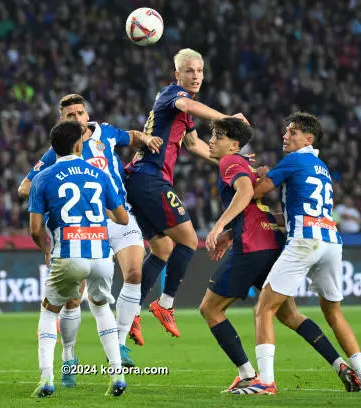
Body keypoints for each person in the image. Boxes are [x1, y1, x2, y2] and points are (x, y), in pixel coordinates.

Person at [199, 118, 359, 393]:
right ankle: (339, 364)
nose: (211, 141)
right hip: (271, 239)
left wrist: (219, 227)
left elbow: (247, 192)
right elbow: (257, 207)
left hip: (251, 247)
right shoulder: (245, 165)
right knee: (290, 315)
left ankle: (250, 374)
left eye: (217, 137)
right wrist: (232, 232)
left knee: (210, 309)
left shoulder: (229, 162)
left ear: (234, 145)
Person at [234, 112, 361, 395]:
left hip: (305, 241)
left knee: (264, 308)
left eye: (293, 132)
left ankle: (265, 381)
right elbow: (302, 208)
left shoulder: (293, 160)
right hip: (331, 242)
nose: (285, 136)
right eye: (286, 131)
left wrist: (252, 174)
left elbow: (255, 192)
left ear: (308, 139)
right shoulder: (321, 166)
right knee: (334, 313)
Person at [19, 94, 162, 375]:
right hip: (85, 222)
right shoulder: (57, 151)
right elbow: (25, 187)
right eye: (70, 115)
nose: (77, 119)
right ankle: (70, 356)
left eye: (80, 113)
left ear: (87, 115)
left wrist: (145, 139)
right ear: (63, 120)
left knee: (134, 272)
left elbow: (130, 136)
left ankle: (119, 345)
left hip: (117, 215)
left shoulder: (106, 132)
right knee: (75, 298)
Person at [124, 48, 248, 341]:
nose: (196, 76)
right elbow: (188, 105)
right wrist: (228, 120)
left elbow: (194, 145)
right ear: (176, 74)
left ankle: (129, 313)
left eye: (200, 71)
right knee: (190, 240)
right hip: (150, 179)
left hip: (139, 180)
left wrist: (233, 157)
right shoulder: (173, 95)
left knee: (164, 250)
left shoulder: (179, 109)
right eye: (189, 71)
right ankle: (165, 304)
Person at [28, 121, 130, 398]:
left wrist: (46, 250)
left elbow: (35, 229)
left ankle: (47, 378)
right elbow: (122, 217)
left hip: (68, 252)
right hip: (101, 254)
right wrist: (98, 216)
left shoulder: (43, 177)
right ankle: (118, 375)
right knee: (100, 308)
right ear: (78, 145)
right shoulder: (98, 173)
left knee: (50, 311)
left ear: (54, 147)